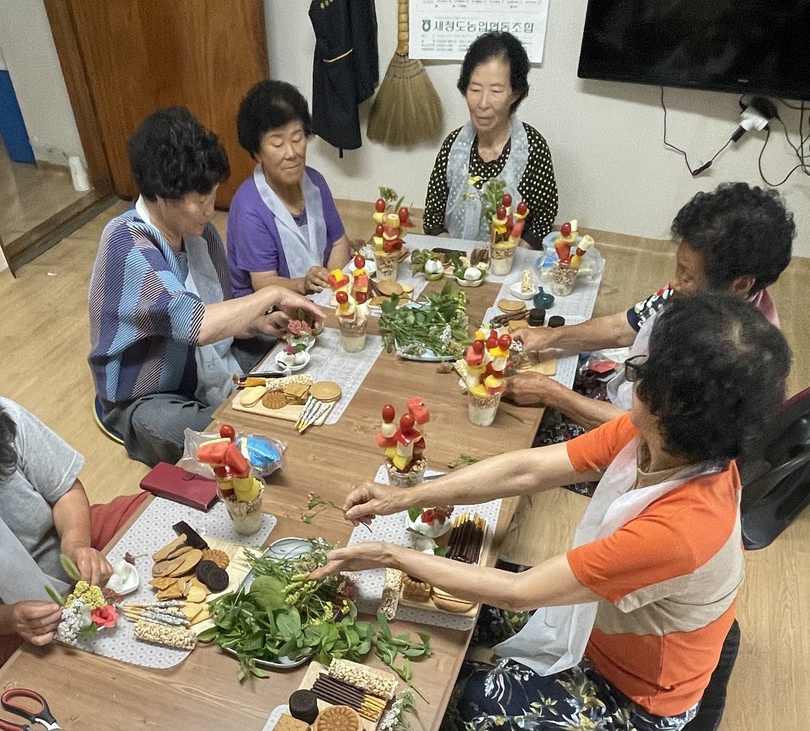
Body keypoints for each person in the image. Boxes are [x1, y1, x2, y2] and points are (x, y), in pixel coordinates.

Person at [312, 295, 791, 731]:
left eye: (643, 368)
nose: (634, 375)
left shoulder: (681, 528)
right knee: (433, 606)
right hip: (596, 619)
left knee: (453, 699)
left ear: (667, 404)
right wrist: (406, 495)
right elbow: (528, 470)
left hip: (635, 692)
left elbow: (519, 594)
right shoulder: (663, 439)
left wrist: (390, 553)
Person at [88, 107, 325, 466]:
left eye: (212, 196)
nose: (211, 210)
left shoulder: (199, 233)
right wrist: (271, 295)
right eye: (201, 201)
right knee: (212, 436)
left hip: (201, 357)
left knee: (290, 350)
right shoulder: (127, 242)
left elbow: (220, 315)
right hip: (147, 394)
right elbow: (193, 323)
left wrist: (258, 321)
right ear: (160, 195)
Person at [507, 182, 794, 449]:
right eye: (679, 268)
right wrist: (549, 337)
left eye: (687, 275)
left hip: (648, 452)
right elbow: (623, 327)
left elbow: (645, 435)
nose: (675, 283)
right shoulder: (698, 295)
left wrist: (553, 395)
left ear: (741, 284)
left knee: (518, 435)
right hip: (627, 405)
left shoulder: (728, 356)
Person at [0, 349, 148, 667]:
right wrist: (10, 618)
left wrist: (76, 544)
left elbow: (65, 489)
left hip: (65, 535)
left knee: (156, 511)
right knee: (71, 674)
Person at [423, 31, 558, 247]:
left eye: (496, 91)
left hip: (511, 267)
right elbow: (432, 219)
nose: (482, 102)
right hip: (456, 267)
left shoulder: (532, 147)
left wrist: (504, 262)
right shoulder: (453, 146)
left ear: (515, 93)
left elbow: (541, 220)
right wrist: (460, 263)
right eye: (475, 89)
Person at [226, 80, 353, 297]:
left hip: (319, 298)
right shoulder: (249, 207)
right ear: (257, 153)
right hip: (267, 315)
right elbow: (264, 282)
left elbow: (340, 242)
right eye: (277, 144)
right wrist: (304, 285)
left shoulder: (315, 182)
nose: (291, 153)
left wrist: (331, 285)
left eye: (297, 138)